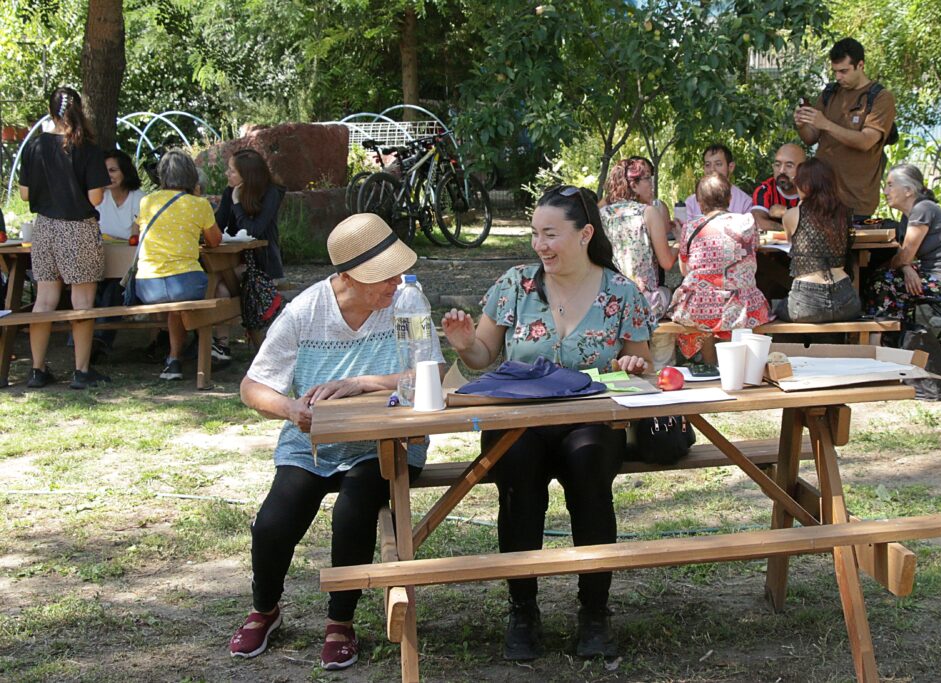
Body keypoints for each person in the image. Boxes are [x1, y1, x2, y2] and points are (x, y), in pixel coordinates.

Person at [442, 186, 652, 662]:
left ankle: (594, 613)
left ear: (585, 235)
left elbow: (641, 368)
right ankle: (522, 611)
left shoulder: (622, 292)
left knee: (589, 467)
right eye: (535, 233)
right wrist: (464, 343)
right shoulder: (515, 284)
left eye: (551, 234)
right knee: (516, 471)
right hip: (520, 421)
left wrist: (633, 367)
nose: (540, 245)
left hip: (589, 421)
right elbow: (482, 356)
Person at [229, 213, 444, 671]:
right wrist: (291, 409)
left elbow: (431, 372)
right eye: (383, 275)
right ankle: (264, 609)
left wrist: (363, 382)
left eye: (397, 271)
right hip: (314, 444)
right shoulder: (305, 311)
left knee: (354, 510)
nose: (395, 282)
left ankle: (340, 621)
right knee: (272, 523)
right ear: (347, 276)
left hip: (386, 441)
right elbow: (253, 386)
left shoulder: (407, 301)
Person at [18, 86, 111, 390]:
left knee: (44, 300)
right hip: (77, 228)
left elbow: (24, 194)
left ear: (51, 111)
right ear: (80, 110)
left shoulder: (34, 147)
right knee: (81, 300)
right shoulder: (87, 149)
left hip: (44, 227)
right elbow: (95, 198)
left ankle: (37, 369)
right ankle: (81, 370)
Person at [134, 150, 222, 381]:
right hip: (185, 282)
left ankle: (174, 360)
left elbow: (136, 231)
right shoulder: (199, 204)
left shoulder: (147, 202)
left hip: (148, 286)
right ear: (192, 175)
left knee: (176, 308)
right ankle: (213, 344)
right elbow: (215, 241)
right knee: (214, 288)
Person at [668, 174, 773, 360]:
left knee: (703, 311)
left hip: (699, 307)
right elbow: (752, 251)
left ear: (699, 202)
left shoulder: (690, 228)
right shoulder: (747, 222)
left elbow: (685, 271)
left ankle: (711, 365)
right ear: (729, 198)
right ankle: (736, 363)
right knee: (738, 308)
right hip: (742, 306)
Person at [794, 38, 896, 221]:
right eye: (835, 72)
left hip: (856, 201)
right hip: (821, 197)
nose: (838, 77)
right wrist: (802, 124)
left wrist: (826, 124)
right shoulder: (830, 93)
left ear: (860, 65)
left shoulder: (880, 97)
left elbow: (866, 141)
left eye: (844, 71)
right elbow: (811, 138)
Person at [864, 164, 941, 320]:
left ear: (908, 191)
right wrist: (906, 268)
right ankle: (898, 327)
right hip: (936, 273)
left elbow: (904, 256)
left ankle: (888, 329)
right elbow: (905, 255)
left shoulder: (922, 210)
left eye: (890, 185)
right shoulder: (908, 215)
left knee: (882, 282)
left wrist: (904, 264)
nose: (885, 191)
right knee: (880, 274)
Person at [599, 157, 678, 369]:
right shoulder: (648, 212)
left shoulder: (601, 214)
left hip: (607, 301)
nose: (652, 185)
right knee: (672, 299)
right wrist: (680, 241)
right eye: (647, 179)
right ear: (633, 184)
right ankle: (663, 366)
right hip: (643, 302)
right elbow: (667, 262)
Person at [212, 148, 285, 360]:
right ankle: (221, 346)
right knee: (219, 286)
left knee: (217, 279)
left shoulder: (271, 193)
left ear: (247, 175)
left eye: (232, 170)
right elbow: (218, 226)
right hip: (236, 260)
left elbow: (254, 231)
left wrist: (237, 203)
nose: (227, 174)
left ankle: (220, 343)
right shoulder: (230, 191)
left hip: (262, 263)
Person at [774, 158, 861, 323]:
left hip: (807, 300)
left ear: (805, 185)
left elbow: (790, 239)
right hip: (845, 299)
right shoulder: (844, 214)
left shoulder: (792, 214)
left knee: (777, 308)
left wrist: (801, 203)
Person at [90, 149, 147, 358]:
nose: (108, 176)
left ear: (125, 172)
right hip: (102, 260)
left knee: (114, 287)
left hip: (130, 266)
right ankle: (84, 340)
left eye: (113, 170)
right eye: (105, 171)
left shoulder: (139, 198)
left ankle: (99, 340)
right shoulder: (99, 198)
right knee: (88, 285)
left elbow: (137, 235)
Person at [681, 144, 754, 222]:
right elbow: (684, 228)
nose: (712, 169)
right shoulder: (691, 203)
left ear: (731, 167)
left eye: (718, 164)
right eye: (708, 165)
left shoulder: (745, 202)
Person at [751, 144, 806, 232]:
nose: (781, 171)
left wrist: (787, 212)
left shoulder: (813, 191)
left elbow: (820, 223)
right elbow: (758, 222)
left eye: (789, 166)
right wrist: (791, 230)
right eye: (777, 165)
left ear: (804, 169)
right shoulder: (765, 190)